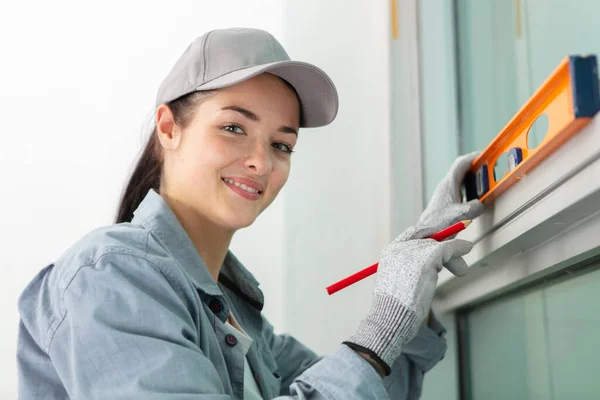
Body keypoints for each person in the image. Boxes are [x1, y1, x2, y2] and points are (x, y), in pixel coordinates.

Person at [16, 28, 484, 399]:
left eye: (282, 144)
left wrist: (415, 288)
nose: (262, 162)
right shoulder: (109, 277)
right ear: (168, 128)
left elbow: (368, 387)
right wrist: (383, 324)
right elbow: (359, 368)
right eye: (234, 127)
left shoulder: (238, 317)